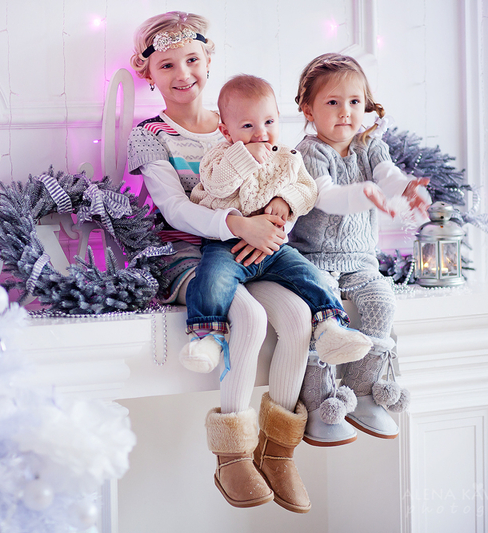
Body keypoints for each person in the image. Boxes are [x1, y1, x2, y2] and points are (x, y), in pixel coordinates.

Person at [127, 12, 323, 513]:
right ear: (148, 73)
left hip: (251, 247)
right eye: (167, 65)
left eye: (192, 59)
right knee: (250, 318)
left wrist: (276, 218)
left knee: (298, 317)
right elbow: (176, 209)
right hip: (186, 251)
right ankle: (232, 453)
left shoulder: (241, 120)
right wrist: (239, 226)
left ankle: (279, 451)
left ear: (208, 61)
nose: (183, 73)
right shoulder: (150, 135)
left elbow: (284, 179)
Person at [182, 74, 373, 379]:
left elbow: (308, 190)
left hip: (274, 247)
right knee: (212, 278)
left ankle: (329, 328)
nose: (261, 133)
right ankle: (208, 336)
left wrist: (286, 200)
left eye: (269, 122)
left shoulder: (287, 157)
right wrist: (243, 157)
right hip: (227, 246)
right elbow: (217, 185)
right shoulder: (218, 156)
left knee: (309, 275)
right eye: (248, 126)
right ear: (226, 130)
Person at [290, 53, 431, 445]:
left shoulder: (370, 146)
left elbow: (388, 176)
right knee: (323, 316)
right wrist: (363, 192)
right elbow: (326, 196)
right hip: (315, 259)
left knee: (382, 304)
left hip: (361, 261)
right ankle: (319, 400)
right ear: (308, 109)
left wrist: (406, 188)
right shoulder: (309, 152)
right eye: (332, 102)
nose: (345, 112)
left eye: (354, 101)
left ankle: (362, 391)